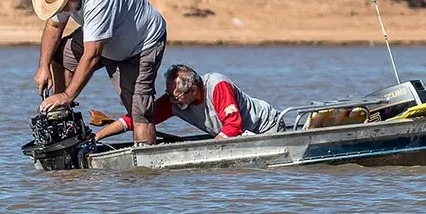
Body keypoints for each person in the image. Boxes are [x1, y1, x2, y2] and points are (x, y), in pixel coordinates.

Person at [32, 0, 168, 146]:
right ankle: (63, 125)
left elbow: (92, 54)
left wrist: (68, 95)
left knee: (139, 112)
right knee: (59, 56)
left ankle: (144, 170)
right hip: (103, 38)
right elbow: (54, 28)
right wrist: (43, 66)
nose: (60, 10)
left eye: (61, 6)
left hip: (141, 44)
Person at [91, 64, 282, 141]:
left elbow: (233, 127)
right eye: (169, 94)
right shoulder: (175, 100)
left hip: (267, 127)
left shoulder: (217, 85)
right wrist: (98, 136)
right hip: (236, 135)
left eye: (175, 96)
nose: (171, 101)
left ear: (193, 90)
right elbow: (139, 119)